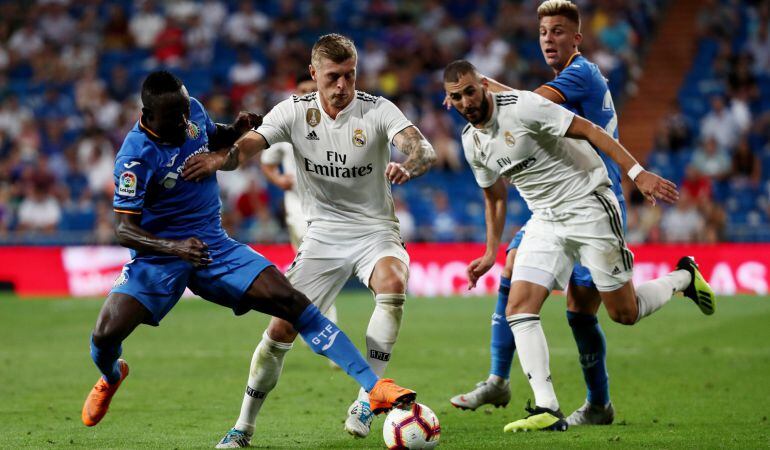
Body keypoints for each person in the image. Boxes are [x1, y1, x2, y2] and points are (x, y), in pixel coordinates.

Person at [80, 70, 415, 435]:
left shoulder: (190, 111)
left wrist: (236, 127)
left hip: (213, 245)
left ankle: (374, 387)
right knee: (104, 336)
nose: (183, 121)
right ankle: (112, 376)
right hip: (160, 256)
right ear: (148, 114)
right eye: (173, 117)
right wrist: (174, 247)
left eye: (184, 112)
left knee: (290, 300)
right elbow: (124, 230)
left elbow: (214, 134)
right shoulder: (134, 156)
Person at [182, 34, 436, 447]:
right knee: (280, 330)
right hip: (322, 235)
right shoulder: (293, 112)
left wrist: (410, 165)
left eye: (350, 76)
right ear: (314, 75)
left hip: (375, 229)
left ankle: (366, 399)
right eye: (333, 77)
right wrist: (221, 159)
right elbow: (252, 145)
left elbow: (421, 148)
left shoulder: (376, 110)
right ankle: (243, 427)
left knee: (392, 284)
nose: (343, 86)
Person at [443, 59, 715, 432]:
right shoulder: (471, 142)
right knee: (519, 307)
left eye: (470, 91)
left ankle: (684, 277)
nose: (465, 102)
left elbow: (589, 130)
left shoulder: (523, 106)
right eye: (455, 97)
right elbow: (494, 197)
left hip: (588, 205)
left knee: (625, 313)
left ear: (484, 87)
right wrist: (491, 251)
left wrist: (638, 174)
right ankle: (547, 407)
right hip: (546, 220)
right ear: (448, 100)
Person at [450, 0, 624, 426]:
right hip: (553, 205)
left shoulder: (579, 73)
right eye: (544, 32)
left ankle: (598, 404)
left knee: (592, 312)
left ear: (576, 38)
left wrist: (479, 88)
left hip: (592, 196)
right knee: (514, 272)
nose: (549, 39)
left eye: (559, 32)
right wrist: (476, 89)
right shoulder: (552, 83)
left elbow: (523, 107)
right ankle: (500, 379)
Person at [260, 74, 341, 338]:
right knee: (318, 268)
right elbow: (267, 162)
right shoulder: (286, 127)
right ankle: (323, 331)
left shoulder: (333, 125)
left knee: (308, 272)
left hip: (327, 210)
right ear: (296, 93)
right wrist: (278, 179)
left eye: (312, 91)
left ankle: (296, 320)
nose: (308, 95)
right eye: (303, 91)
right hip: (298, 211)